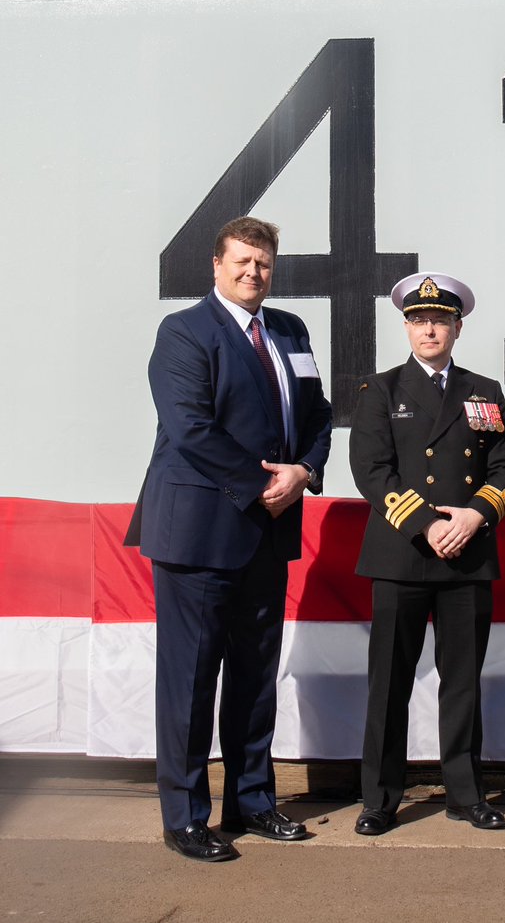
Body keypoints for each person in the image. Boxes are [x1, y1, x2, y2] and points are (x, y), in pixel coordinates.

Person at [126, 216, 333, 862]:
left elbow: (319, 414)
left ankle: (251, 799)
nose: (253, 272)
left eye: (264, 262)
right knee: (189, 680)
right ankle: (185, 815)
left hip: (268, 534)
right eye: (242, 260)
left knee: (253, 676)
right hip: (199, 533)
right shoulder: (184, 332)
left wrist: (305, 471)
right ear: (216, 265)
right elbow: (189, 429)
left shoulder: (290, 332)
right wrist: (262, 484)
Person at [349, 273, 505, 835]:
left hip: (468, 551)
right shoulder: (380, 391)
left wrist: (475, 515)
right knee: (390, 684)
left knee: (464, 681)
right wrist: (426, 524)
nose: (430, 329)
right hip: (402, 553)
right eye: (420, 320)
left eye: (441, 320)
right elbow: (371, 471)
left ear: (457, 327)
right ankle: (379, 799)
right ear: (406, 327)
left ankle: (466, 795)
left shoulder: (484, 391)